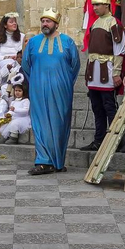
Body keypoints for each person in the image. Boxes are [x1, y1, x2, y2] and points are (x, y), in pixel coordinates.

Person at [24, 9, 81, 174]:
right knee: (40, 123)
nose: (44, 24)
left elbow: (75, 65)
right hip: (38, 90)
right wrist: (36, 81)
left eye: (48, 21)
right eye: (42, 21)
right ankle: (43, 161)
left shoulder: (67, 41)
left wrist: (64, 83)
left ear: (56, 24)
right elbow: (26, 65)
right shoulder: (33, 42)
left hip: (61, 90)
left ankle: (57, 162)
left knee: (59, 124)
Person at [83, 0, 125, 152]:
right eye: (93, 4)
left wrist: (116, 73)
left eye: (98, 4)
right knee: (97, 108)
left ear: (107, 5)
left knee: (109, 108)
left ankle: (116, 141)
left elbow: (119, 50)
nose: (95, 7)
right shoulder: (95, 23)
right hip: (94, 72)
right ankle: (98, 140)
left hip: (106, 72)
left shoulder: (114, 23)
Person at [0, 13, 25, 78]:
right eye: (11, 22)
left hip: (18, 62)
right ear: (5, 25)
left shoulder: (22, 36)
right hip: (2, 63)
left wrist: (17, 57)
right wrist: (7, 57)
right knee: (9, 64)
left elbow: (23, 51)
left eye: (15, 21)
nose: (14, 23)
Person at [0, 78, 31, 143]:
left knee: (15, 123)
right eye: (16, 90)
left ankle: (13, 137)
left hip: (23, 118)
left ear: (24, 92)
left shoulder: (25, 101)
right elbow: (11, 110)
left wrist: (15, 110)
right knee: (7, 123)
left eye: (19, 91)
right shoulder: (13, 101)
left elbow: (26, 110)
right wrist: (8, 114)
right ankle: (5, 136)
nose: (17, 92)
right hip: (14, 117)